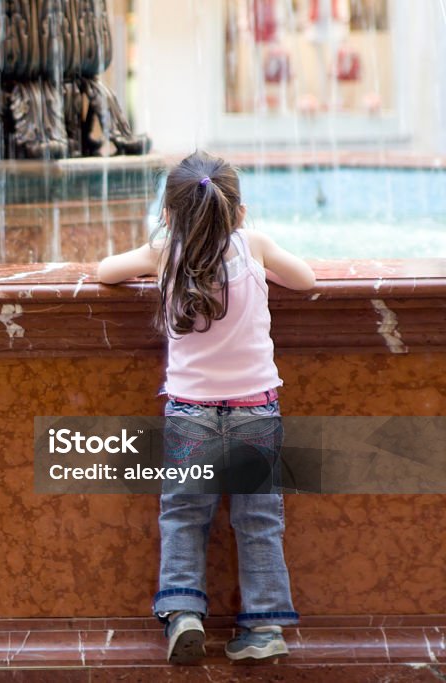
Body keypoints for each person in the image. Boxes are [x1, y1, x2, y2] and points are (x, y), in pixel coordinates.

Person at [96, 151, 316, 665]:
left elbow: (105, 271)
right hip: (255, 409)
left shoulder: (163, 253)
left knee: (183, 516)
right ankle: (263, 627)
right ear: (236, 211)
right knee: (259, 519)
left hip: (190, 411)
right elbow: (304, 279)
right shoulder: (253, 245)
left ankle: (183, 612)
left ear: (169, 214)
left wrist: (163, 243)